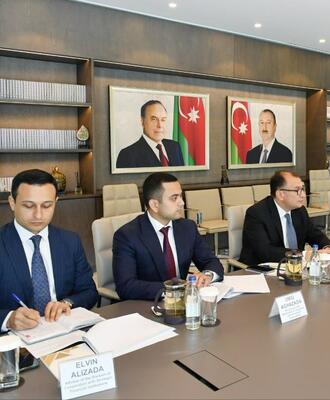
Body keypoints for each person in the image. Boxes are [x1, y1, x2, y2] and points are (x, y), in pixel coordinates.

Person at [0, 169, 98, 332]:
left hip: (63, 331)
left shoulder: (70, 241)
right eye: (28, 206)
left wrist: (67, 303)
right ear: (12, 202)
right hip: (14, 339)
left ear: (55, 202)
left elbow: (89, 292)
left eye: (47, 205)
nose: (38, 215)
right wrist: (8, 319)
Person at [113, 172, 224, 300]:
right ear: (154, 205)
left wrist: (207, 275)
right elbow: (126, 286)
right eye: (174, 198)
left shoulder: (187, 227)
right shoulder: (127, 236)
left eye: (180, 196)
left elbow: (211, 261)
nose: (182, 203)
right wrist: (174, 290)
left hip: (186, 303)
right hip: (149, 304)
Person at [239, 170, 330, 265]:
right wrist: (304, 255)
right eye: (297, 190)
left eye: (302, 189)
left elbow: (315, 235)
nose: (303, 195)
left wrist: (329, 248)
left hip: (295, 268)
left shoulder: (299, 210)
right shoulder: (257, 214)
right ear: (281, 194)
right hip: (262, 269)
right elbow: (266, 252)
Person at [116, 100, 184, 168]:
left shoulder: (175, 147)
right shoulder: (128, 155)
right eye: (154, 119)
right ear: (142, 121)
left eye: (163, 120)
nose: (160, 125)